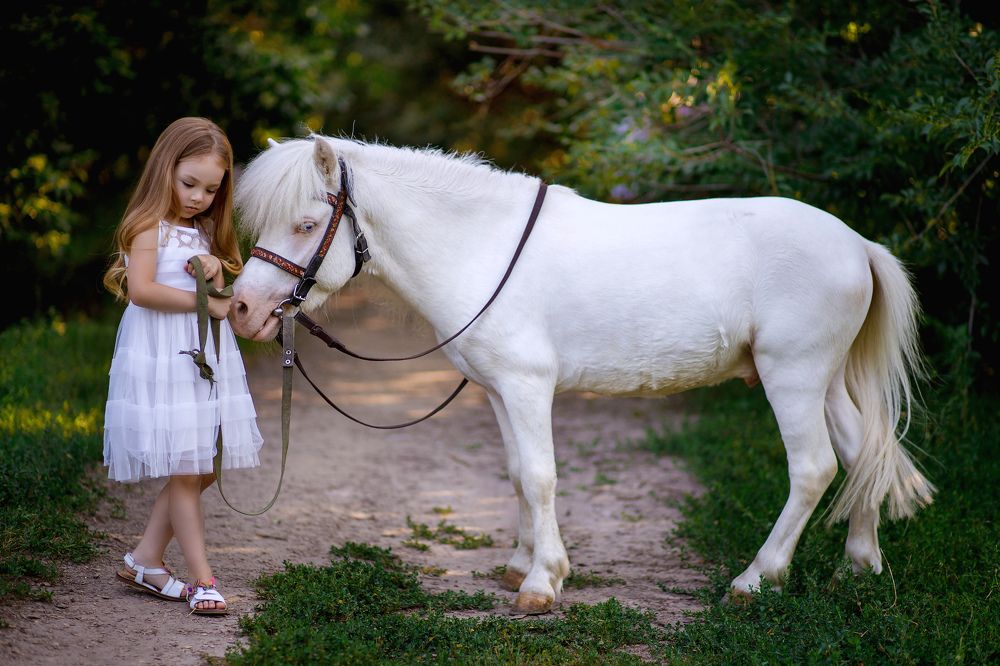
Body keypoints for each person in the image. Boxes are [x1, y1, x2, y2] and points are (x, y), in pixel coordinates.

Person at [102, 117, 263, 615]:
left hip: (202, 356)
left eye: (211, 190)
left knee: (201, 468)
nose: (198, 197)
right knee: (190, 469)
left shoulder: (202, 230)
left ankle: (145, 560)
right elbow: (144, 290)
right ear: (164, 171)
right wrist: (209, 305)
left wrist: (215, 271)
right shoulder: (147, 226)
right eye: (189, 183)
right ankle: (204, 580)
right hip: (163, 355)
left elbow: (210, 286)